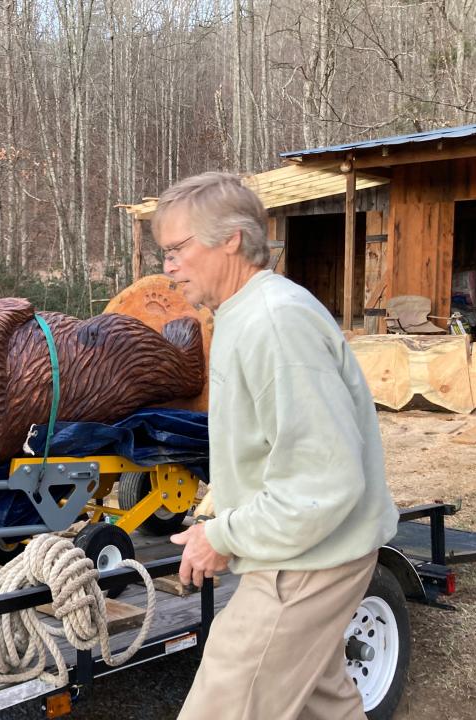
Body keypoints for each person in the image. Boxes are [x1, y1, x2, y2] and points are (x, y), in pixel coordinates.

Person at [155, 173, 399, 719]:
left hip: (313, 557)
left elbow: (324, 483)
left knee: (225, 703)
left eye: (176, 250)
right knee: (322, 703)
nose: (167, 267)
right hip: (305, 545)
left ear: (231, 239)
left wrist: (224, 536)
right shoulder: (244, 314)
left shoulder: (274, 322)